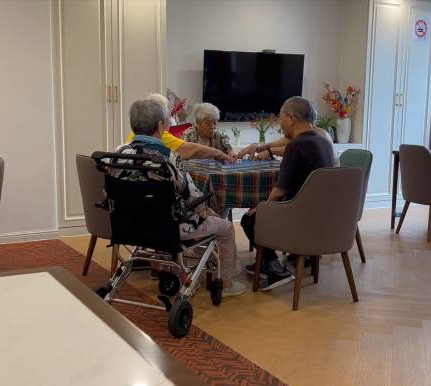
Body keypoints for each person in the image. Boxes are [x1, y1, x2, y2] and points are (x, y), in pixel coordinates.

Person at [114, 98, 245, 297]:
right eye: (168, 120)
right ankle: (226, 283)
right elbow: (192, 197)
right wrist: (208, 212)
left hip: (129, 225)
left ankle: (183, 271)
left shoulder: (118, 154)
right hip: (168, 227)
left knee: (198, 219)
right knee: (224, 226)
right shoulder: (169, 157)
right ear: (160, 126)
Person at [241, 97, 335, 290]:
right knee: (262, 209)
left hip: (300, 218)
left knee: (249, 219)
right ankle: (266, 264)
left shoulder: (296, 146)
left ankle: (276, 270)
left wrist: (262, 208)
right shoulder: (323, 141)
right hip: (324, 216)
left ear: (291, 118)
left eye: (281, 118)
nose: (279, 123)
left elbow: (279, 191)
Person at [125, 93, 235, 163]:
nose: (170, 120)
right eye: (168, 116)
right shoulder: (168, 154)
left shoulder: (122, 150)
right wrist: (221, 154)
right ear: (160, 125)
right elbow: (192, 150)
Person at [237, 127, 337, 165]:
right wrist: (257, 147)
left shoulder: (312, 139)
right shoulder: (318, 133)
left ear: (291, 119)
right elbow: (273, 144)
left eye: (282, 118)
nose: (281, 124)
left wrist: (271, 152)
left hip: (310, 199)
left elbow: (295, 148)